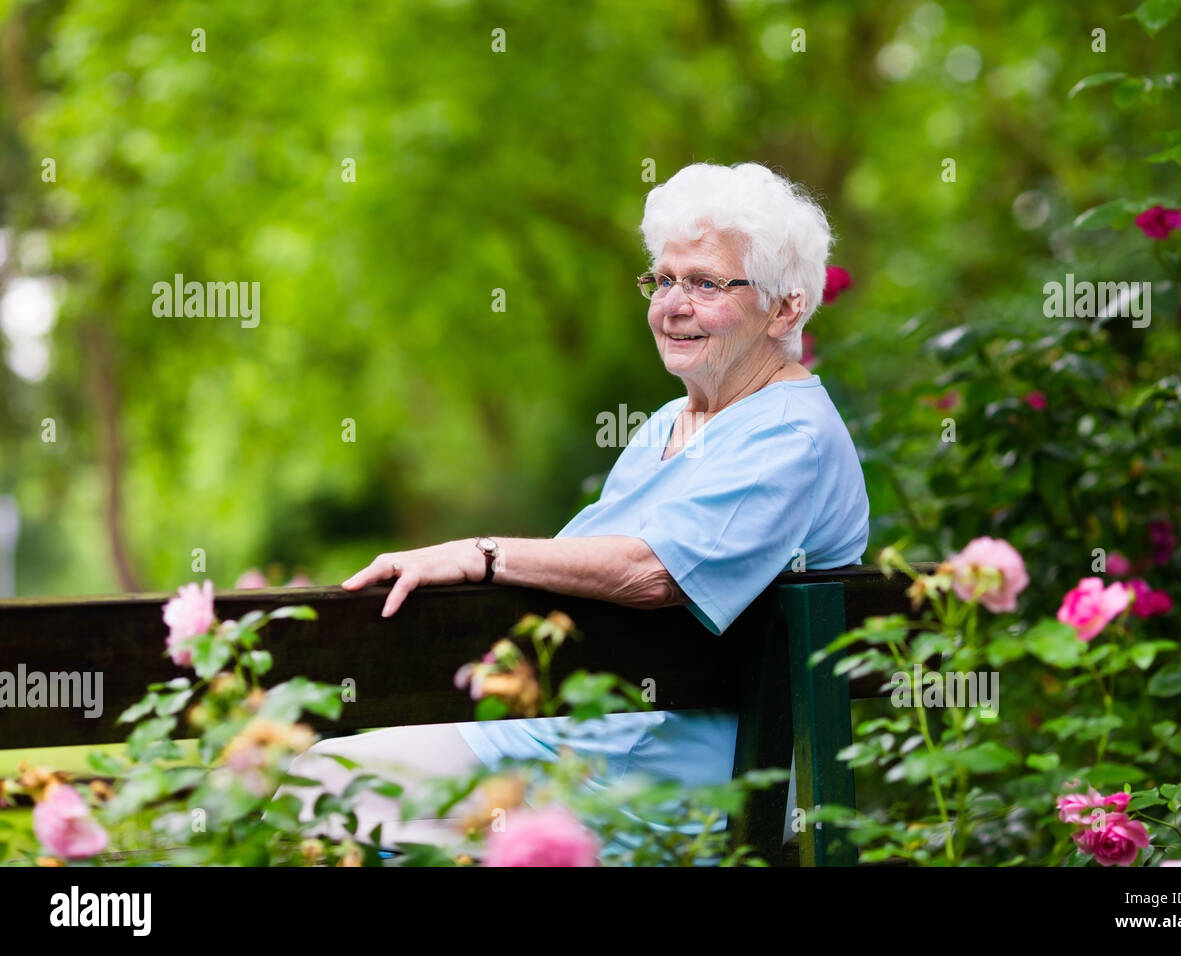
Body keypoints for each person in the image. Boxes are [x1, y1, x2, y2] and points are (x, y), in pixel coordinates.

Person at [285, 161, 870, 856]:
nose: (672, 304)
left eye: (706, 283)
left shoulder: (789, 435)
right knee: (320, 785)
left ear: (785, 308)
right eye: (664, 279)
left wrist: (482, 555)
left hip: (650, 786)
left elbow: (656, 572)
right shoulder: (668, 424)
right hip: (563, 739)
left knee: (330, 796)